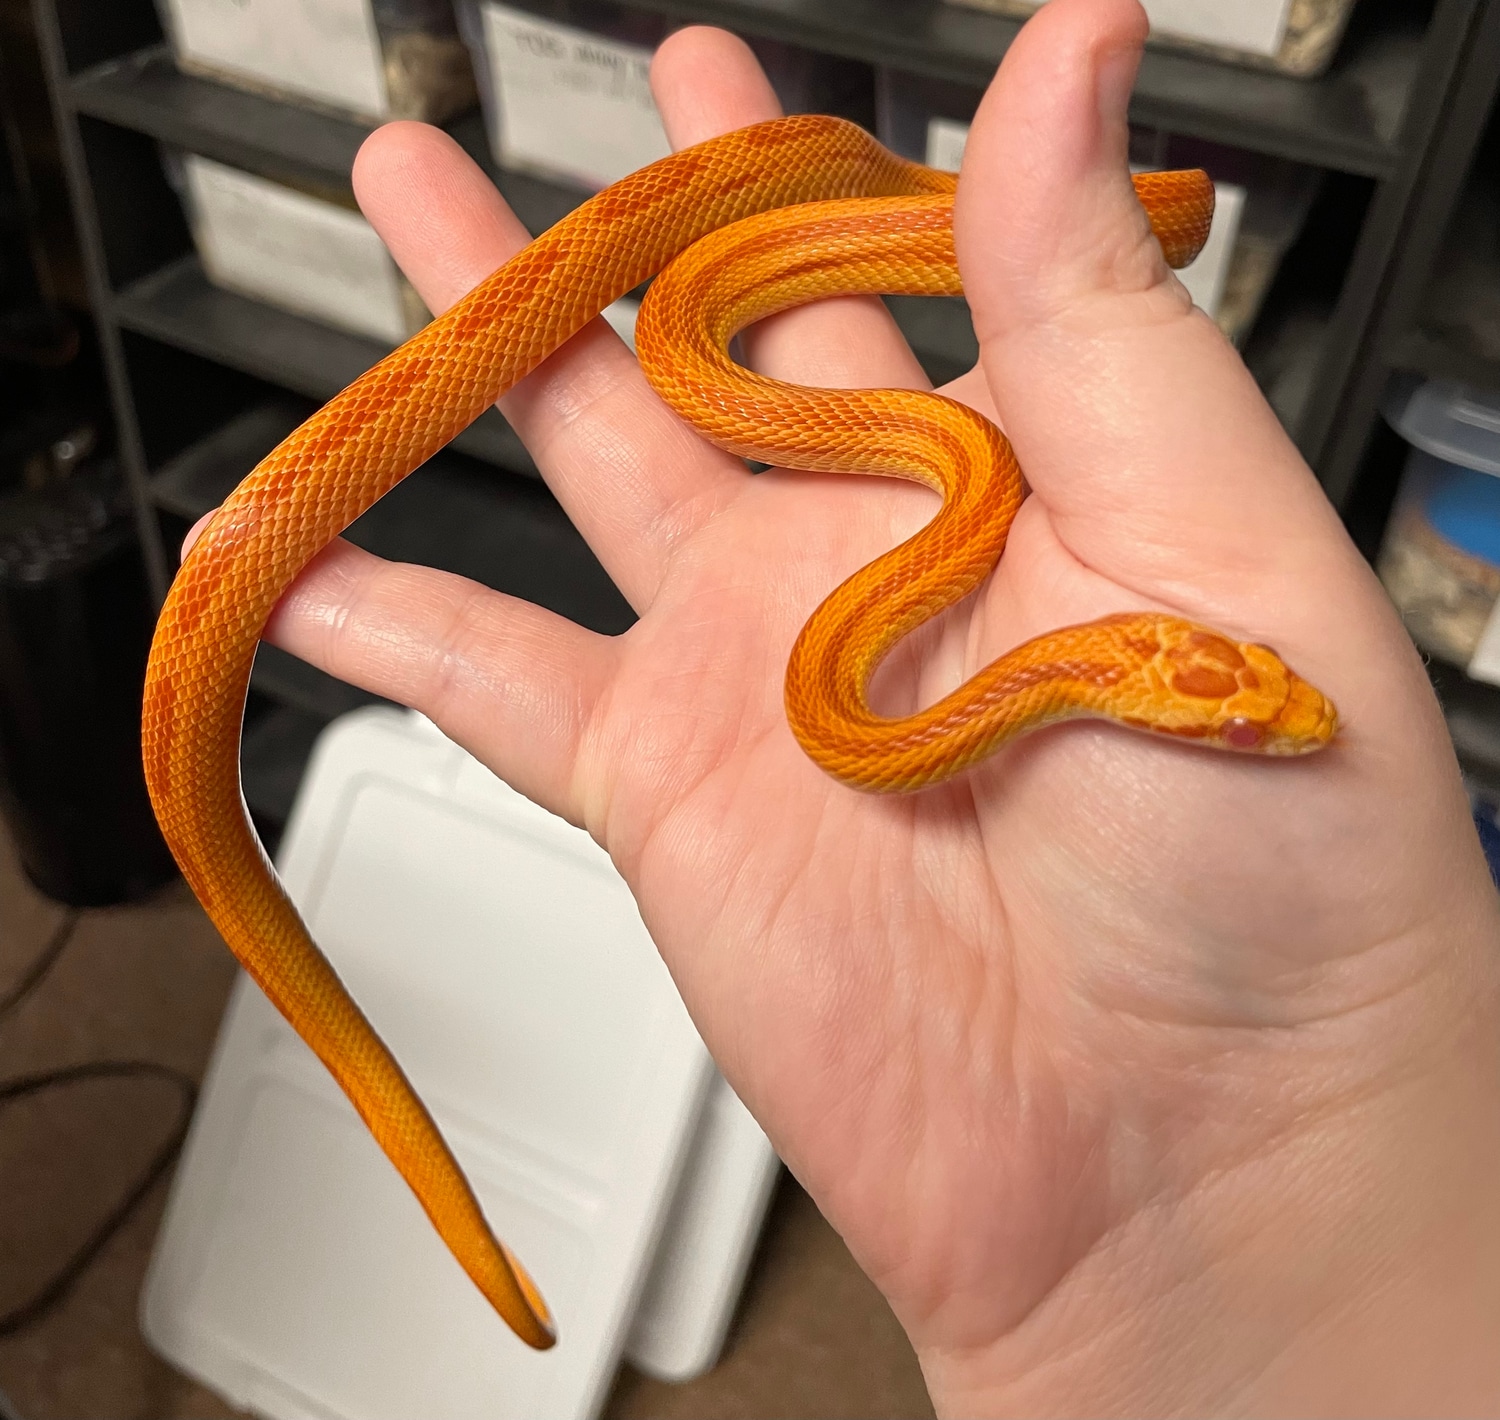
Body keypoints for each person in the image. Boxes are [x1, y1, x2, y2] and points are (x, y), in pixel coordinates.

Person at [207, 0, 1500, 1409]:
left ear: (1140, 681)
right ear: (1136, 664)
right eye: (1254, 714)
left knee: (806, 188)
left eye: (1246, 714)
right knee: (769, 208)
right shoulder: (954, 501)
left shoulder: (927, 653)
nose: (1285, 725)